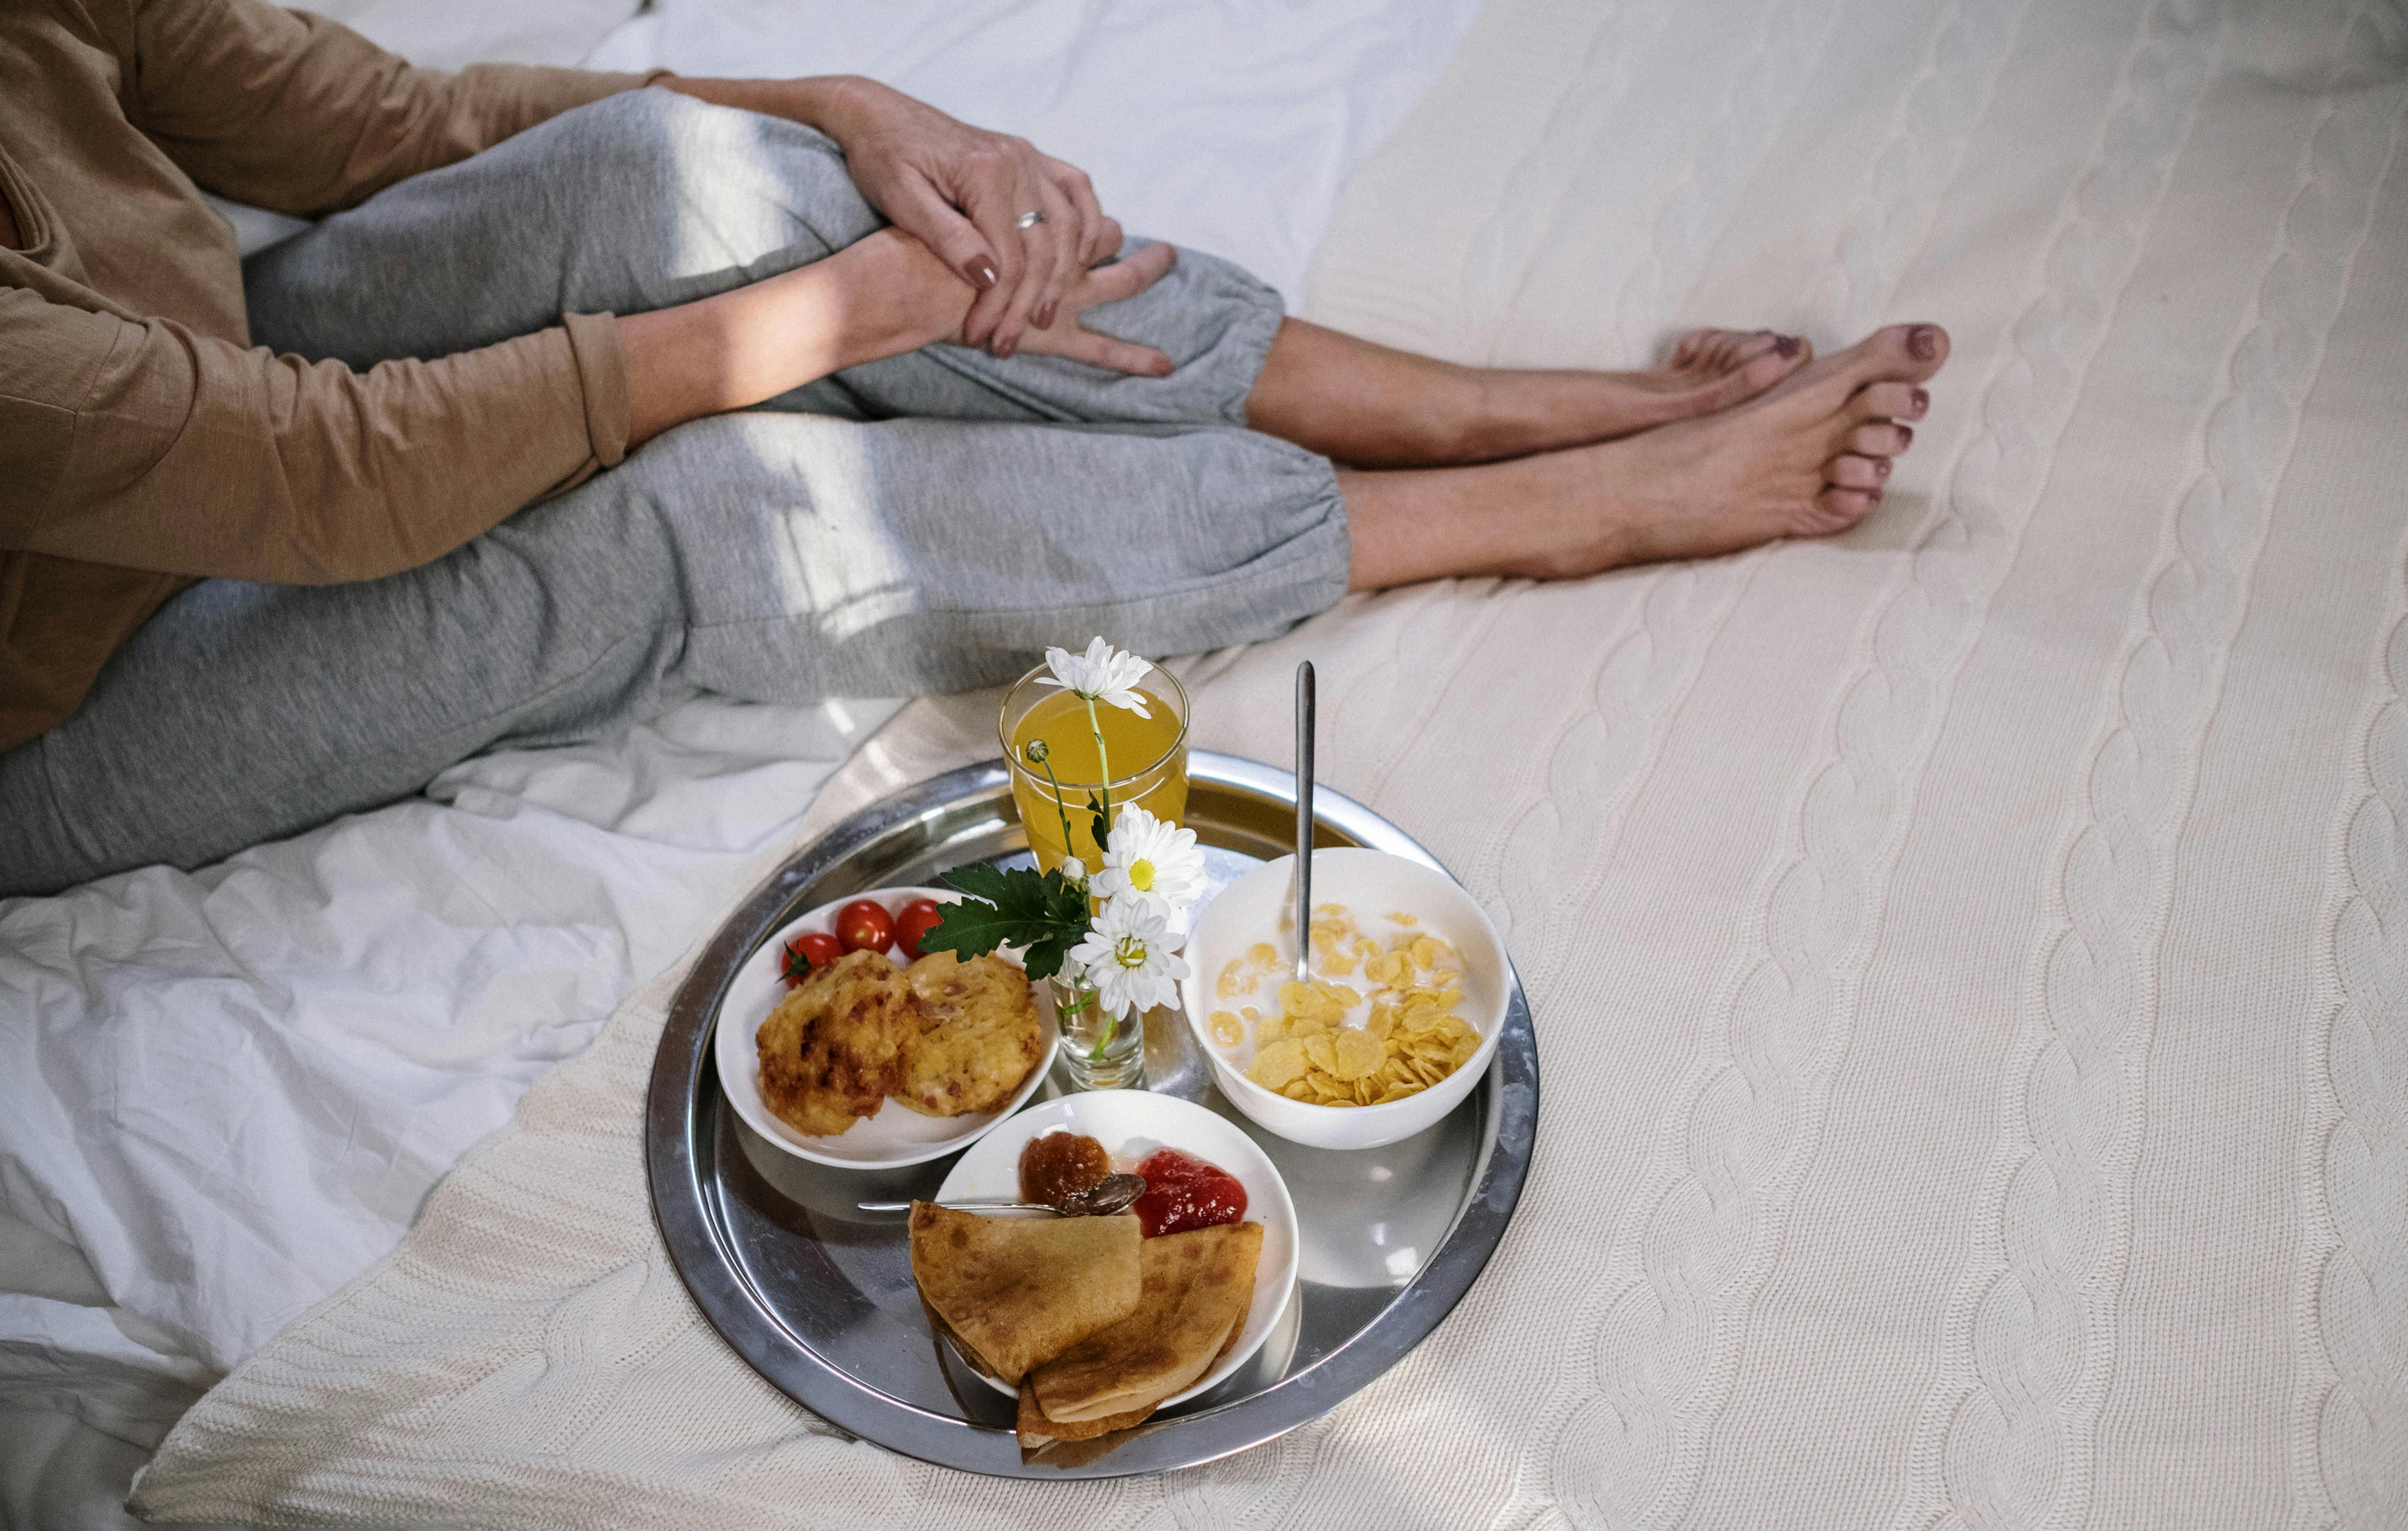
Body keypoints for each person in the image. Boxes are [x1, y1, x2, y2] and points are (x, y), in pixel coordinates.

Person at [0, 0, 1949, 898]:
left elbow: (384, 131)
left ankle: (1510, 395)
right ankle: (1548, 499)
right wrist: (806, 334)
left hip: (203, 404)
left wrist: (834, 107)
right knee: (686, 515)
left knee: (641, 174)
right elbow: (327, 482)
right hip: (72, 691)